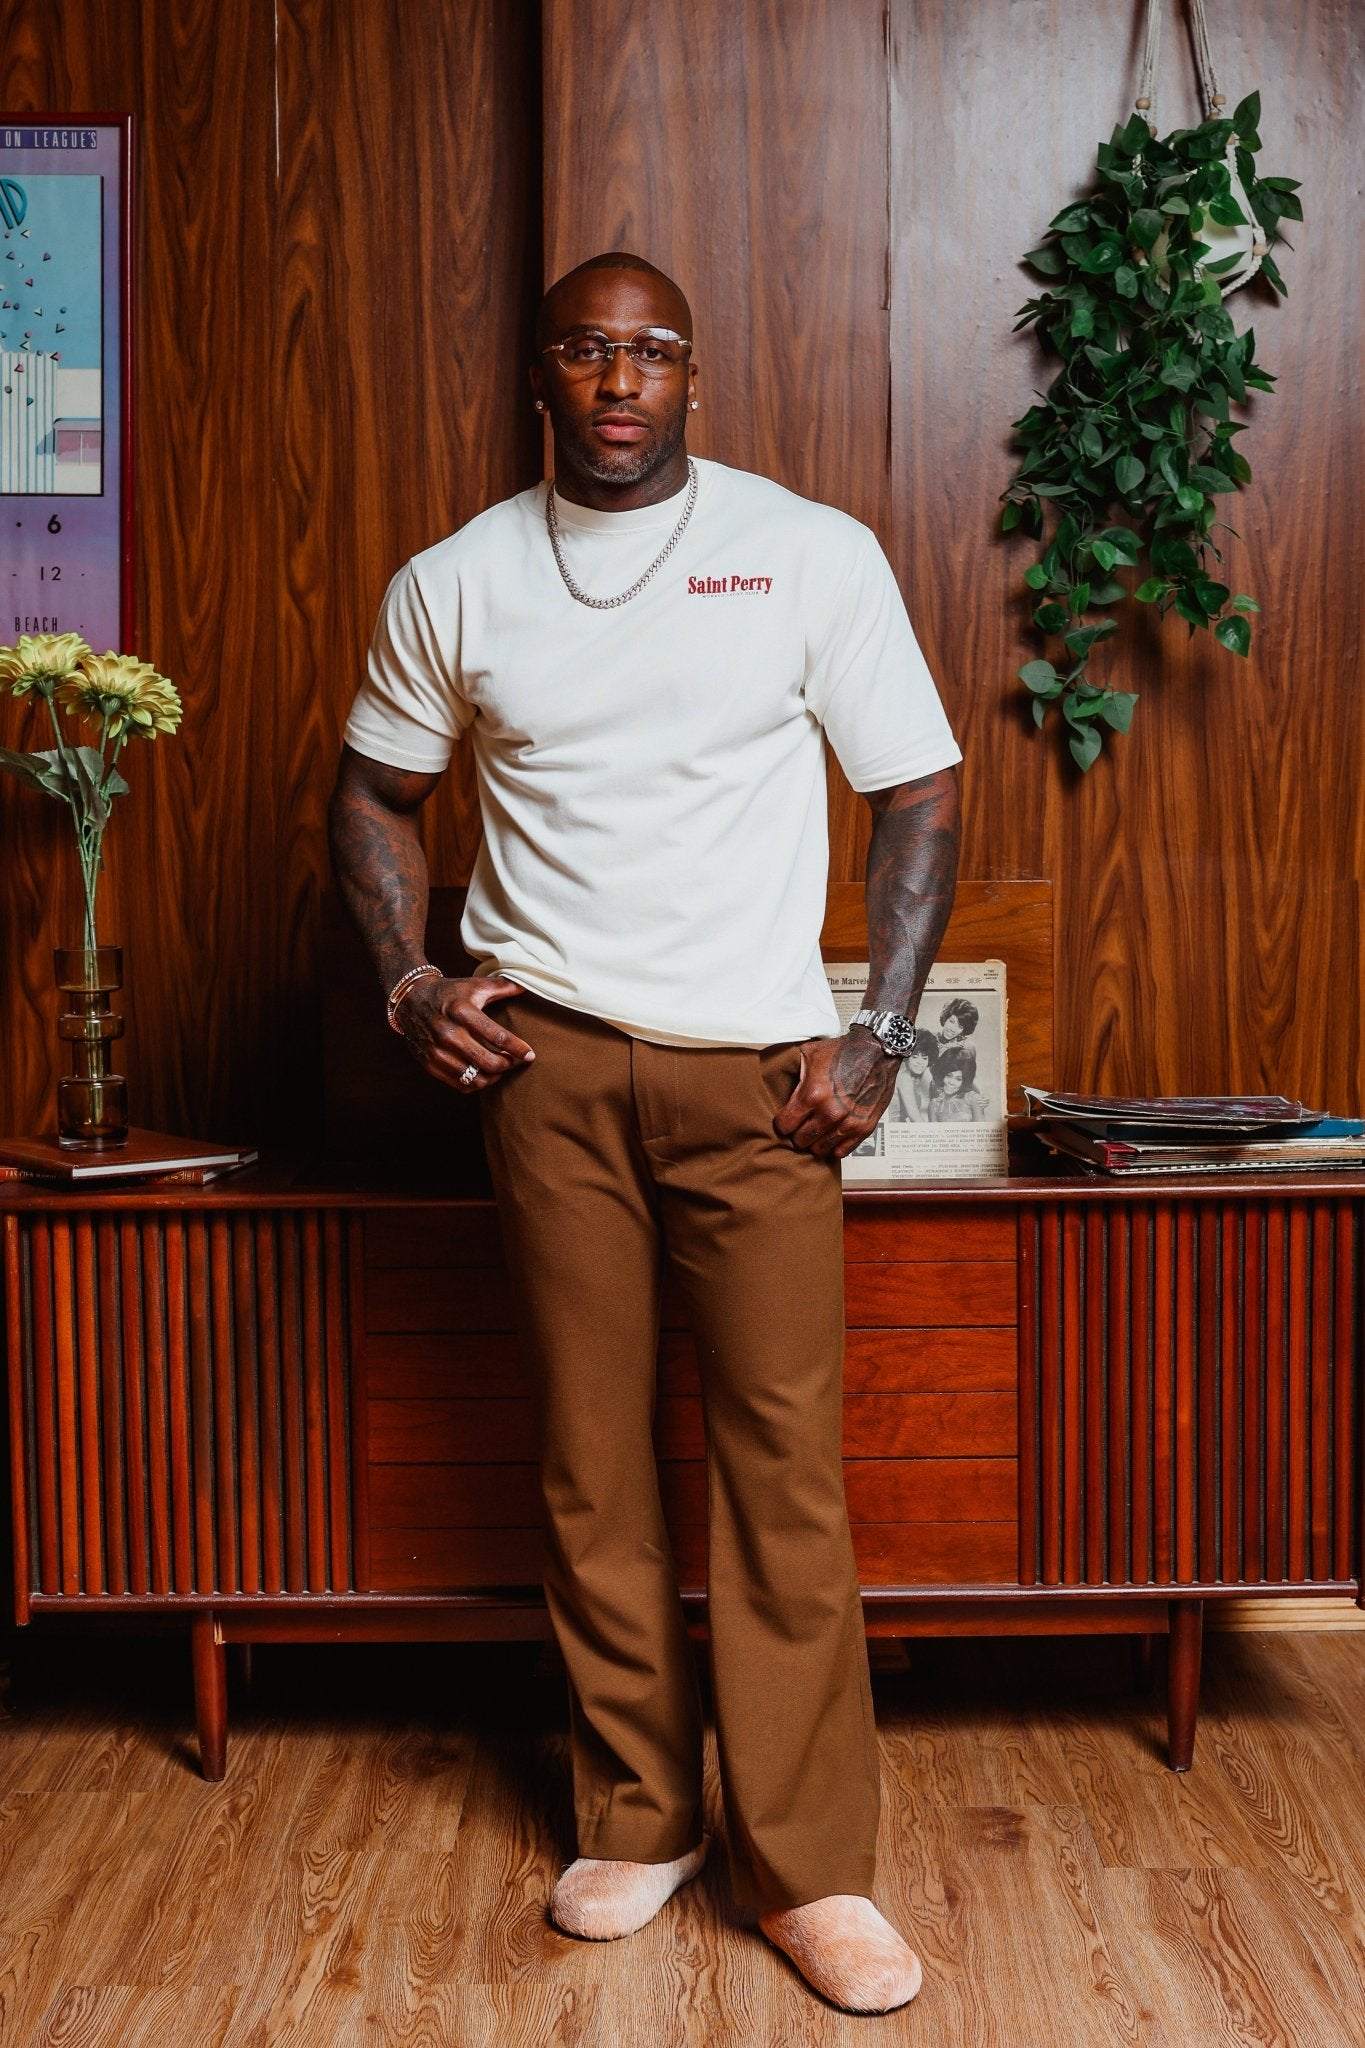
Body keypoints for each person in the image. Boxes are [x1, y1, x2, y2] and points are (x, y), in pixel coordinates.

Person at [328, 250, 962, 2017]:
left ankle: (809, 1868)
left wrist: (881, 1029)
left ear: (693, 375)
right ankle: (636, 1811)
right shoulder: (456, 577)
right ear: (542, 373)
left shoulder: (809, 552)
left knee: (781, 1472)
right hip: (542, 1073)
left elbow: (916, 789)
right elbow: (373, 797)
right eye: (589, 351)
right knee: (591, 1459)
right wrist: (404, 983)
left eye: (654, 351)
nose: (622, 379)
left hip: (762, 1080)